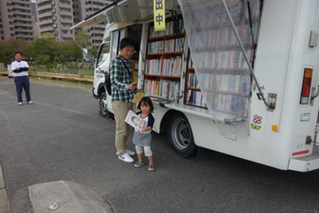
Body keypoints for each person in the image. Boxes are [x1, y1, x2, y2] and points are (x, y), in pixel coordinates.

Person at [110, 37, 138, 163]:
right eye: (127, 50)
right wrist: (127, 86)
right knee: (121, 127)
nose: (129, 53)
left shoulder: (127, 62)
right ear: (121, 49)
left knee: (130, 125)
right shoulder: (116, 61)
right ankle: (121, 152)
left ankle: (124, 148)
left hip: (128, 98)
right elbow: (114, 82)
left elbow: (127, 82)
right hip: (119, 100)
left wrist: (133, 89)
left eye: (132, 51)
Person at [132, 97, 155, 171]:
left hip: (146, 136)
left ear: (150, 107)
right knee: (138, 148)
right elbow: (132, 120)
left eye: (146, 106)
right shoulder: (137, 114)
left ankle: (151, 163)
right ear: (139, 107)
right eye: (142, 106)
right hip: (137, 135)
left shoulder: (150, 117)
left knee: (147, 150)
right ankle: (140, 160)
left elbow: (150, 127)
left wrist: (145, 129)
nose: (144, 108)